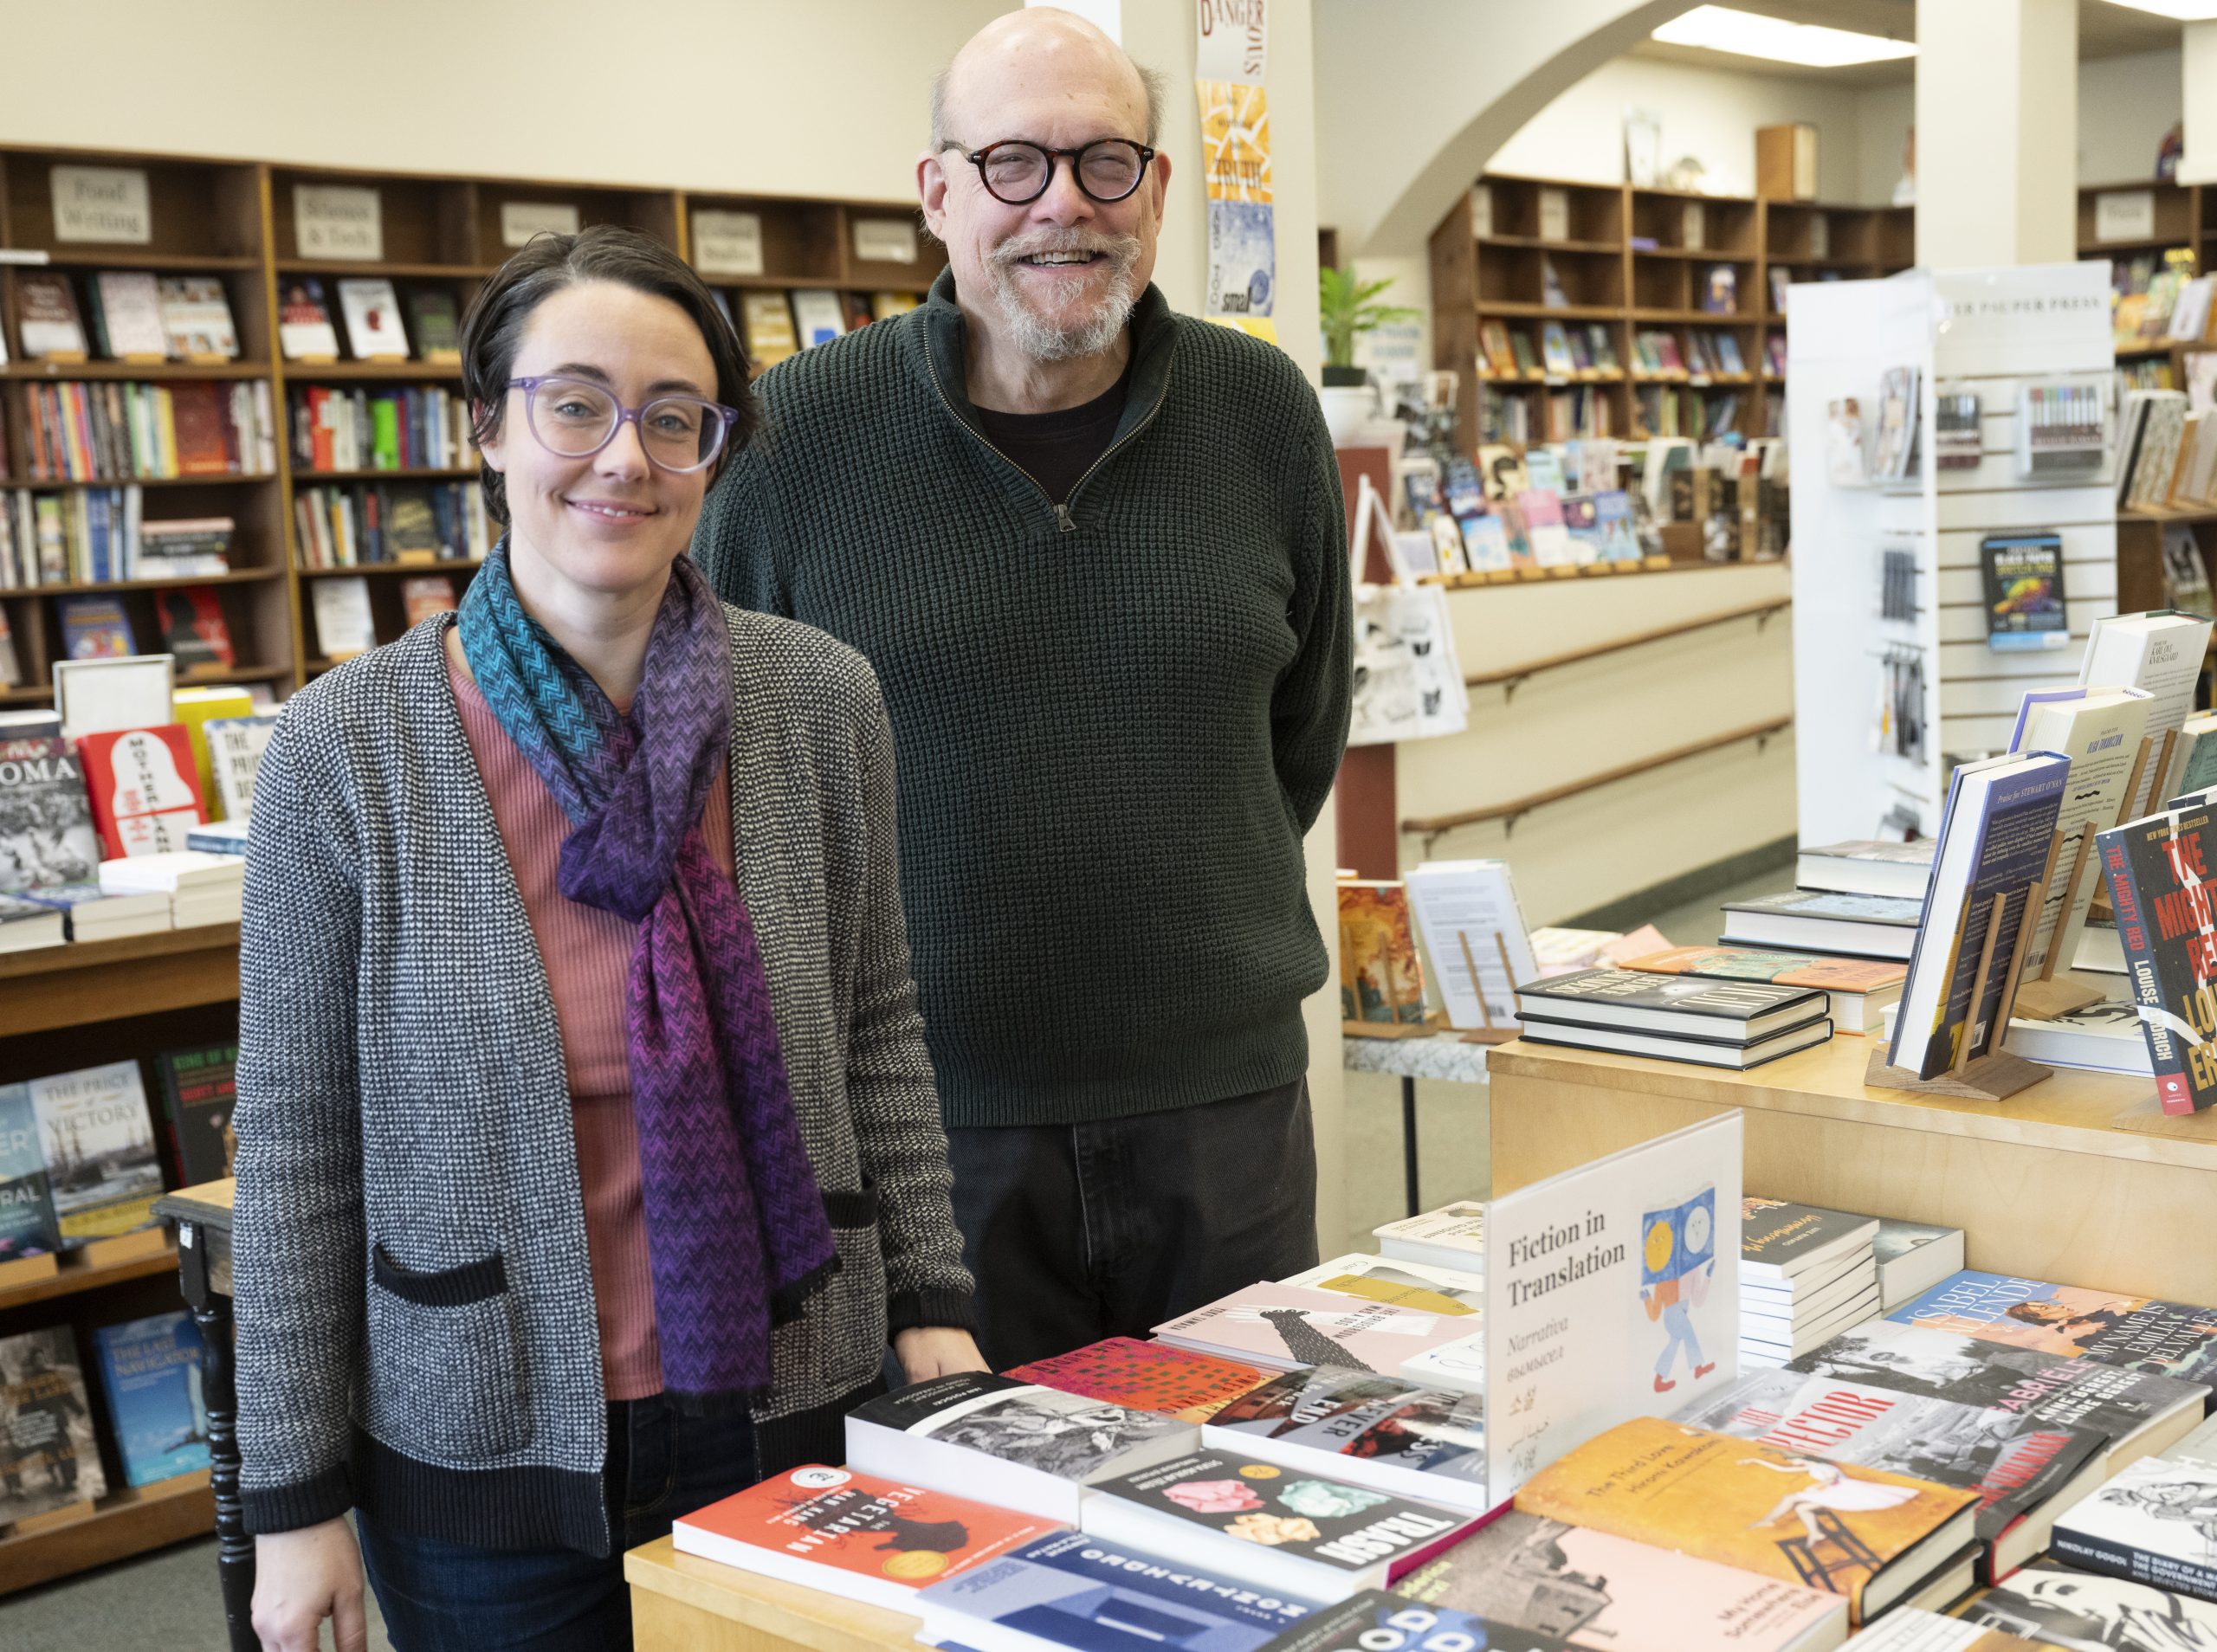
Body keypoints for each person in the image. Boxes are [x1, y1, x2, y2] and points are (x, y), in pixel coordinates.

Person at [233, 224, 985, 1652]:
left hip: (786, 1406)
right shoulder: (347, 749)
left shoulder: (820, 703)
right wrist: (293, 1501)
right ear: (487, 428)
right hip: (478, 1453)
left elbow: (879, 1026)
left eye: (673, 417)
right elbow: (294, 1141)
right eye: (574, 404)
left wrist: (931, 1302)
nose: (624, 458)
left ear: (716, 450)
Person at [694, 7, 1350, 1371]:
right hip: (929, 1134)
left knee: (1250, 1473)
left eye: (1106, 162)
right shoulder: (795, 438)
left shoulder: (1263, 412)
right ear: (937, 193)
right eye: (1012, 163)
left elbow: (1301, 730)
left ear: (1156, 191)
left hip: (1223, 1114)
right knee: (961, 1486)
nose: (1063, 204)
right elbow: (736, 777)